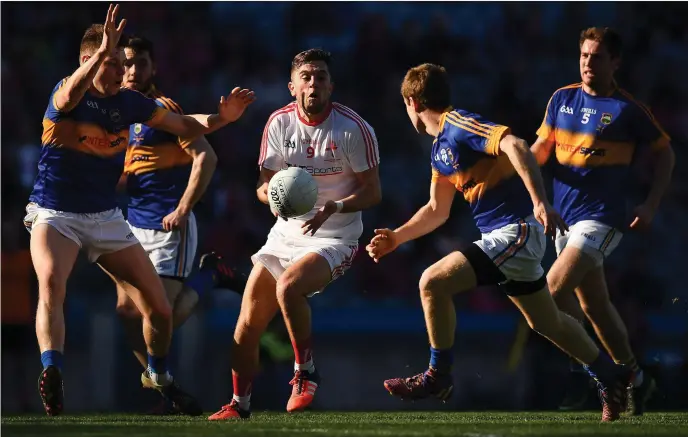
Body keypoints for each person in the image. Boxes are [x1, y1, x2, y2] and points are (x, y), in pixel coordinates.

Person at [23, 4, 255, 416]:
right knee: (52, 285)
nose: (120, 72)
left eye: (122, 63)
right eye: (112, 63)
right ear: (87, 61)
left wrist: (223, 118)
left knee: (160, 309)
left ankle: (160, 376)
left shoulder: (129, 103)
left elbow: (185, 126)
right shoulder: (64, 94)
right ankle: (52, 370)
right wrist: (100, 55)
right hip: (55, 214)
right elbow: (74, 91)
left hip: (108, 219)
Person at [366, 63, 631, 422]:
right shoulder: (440, 149)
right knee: (546, 322)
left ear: (411, 102)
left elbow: (515, 144)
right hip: (504, 236)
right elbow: (436, 209)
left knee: (431, 282)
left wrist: (539, 201)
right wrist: (397, 237)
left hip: (517, 231)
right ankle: (610, 375)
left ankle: (437, 375)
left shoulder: (458, 124)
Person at [208, 48, 382, 420]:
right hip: (285, 235)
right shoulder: (278, 123)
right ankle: (240, 405)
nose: (313, 82)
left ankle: (305, 371)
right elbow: (263, 184)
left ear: (331, 85)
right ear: (292, 86)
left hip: (337, 237)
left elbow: (373, 191)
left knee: (289, 287)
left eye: (320, 76)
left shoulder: (353, 128)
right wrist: (271, 199)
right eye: (306, 77)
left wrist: (335, 207)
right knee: (246, 328)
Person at [530, 27, 674, 414]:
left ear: (615, 62)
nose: (588, 63)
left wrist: (651, 204)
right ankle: (638, 382)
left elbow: (666, 154)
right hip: (564, 221)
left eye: (596, 56)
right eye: (584, 56)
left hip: (602, 220)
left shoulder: (629, 109)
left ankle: (601, 377)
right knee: (596, 307)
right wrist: (531, 193)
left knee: (551, 292)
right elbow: (539, 152)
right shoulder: (561, 99)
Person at [112, 34, 249, 414]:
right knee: (126, 311)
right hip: (131, 224)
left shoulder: (160, 108)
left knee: (161, 314)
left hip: (169, 225)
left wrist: (184, 208)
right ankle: (164, 384)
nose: (132, 70)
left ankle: (210, 276)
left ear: (153, 68)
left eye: (140, 62)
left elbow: (205, 156)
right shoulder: (116, 113)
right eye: (126, 63)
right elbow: (131, 168)